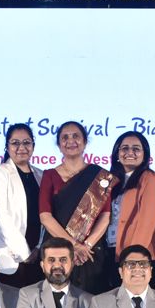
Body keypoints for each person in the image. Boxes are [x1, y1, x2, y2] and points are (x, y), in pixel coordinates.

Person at [38, 121, 114, 293]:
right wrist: (74, 245)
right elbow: (45, 217)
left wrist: (86, 245)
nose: (70, 141)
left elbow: (105, 216)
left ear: (85, 142)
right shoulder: (49, 175)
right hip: (57, 250)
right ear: (59, 145)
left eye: (75, 136)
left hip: (91, 251)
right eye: (65, 137)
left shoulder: (100, 176)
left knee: (92, 299)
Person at [106, 131, 155, 290]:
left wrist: (133, 258)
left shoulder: (151, 178)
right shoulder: (110, 180)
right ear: (117, 153)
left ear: (144, 154)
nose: (130, 152)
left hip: (140, 253)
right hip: (113, 250)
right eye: (125, 148)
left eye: (136, 149)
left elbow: (148, 220)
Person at [0, 123, 45, 287]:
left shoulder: (41, 175)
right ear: (7, 147)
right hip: (10, 257)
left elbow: (45, 215)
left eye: (26, 142)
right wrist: (24, 253)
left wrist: (38, 247)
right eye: (15, 143)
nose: (21, 148)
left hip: (37, 255)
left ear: (33, 146)